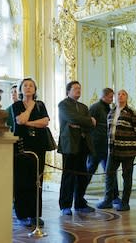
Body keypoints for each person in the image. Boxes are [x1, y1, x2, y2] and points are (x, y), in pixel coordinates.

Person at [11, 78, 49, 228]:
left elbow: (45, 122)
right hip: (22, 146)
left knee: (37, 181)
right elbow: (20, 120)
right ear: (20, 89)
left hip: (39, 146)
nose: (28, 88)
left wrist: (28, 122)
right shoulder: (17, 105)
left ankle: (35, 214)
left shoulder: (41, 105)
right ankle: (22, 214)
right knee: (22, 181)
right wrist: (29, 108)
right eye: (25, 85)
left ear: (35, 89)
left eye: (31, 85)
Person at [97, 89, 136, 211]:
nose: (120, 96)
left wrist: (131, 142)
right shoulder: (111, 112)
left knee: (126, 176)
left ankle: (125, 202)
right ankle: (108, 200)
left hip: (128, 150)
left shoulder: (132, 113)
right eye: (118, 94)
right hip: (113, 150)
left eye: (123, 94)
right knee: (109, 174)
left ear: (126, 98)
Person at [57, 81, 96, 216]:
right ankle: (65, 205)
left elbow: (90, 125)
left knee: (82, 176)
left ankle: (80, 203)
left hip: (83, 144)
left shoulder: (84, 107)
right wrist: (86, 121)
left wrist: (79, 124)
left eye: (79, 88)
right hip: (69, 145)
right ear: (68, 91)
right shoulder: (63, 104)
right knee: (68, 176)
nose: (78, 90)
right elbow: (71, 118)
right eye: (75, 88)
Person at [87, 88, 121, 206]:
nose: (112, 99)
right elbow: (88, 124)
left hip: (106, 146)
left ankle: (114, 196)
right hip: (96, 146)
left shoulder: (109, 109)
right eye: (111, 97)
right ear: (105, 96)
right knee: (89, 170)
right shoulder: (95, 107)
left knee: (111, 172)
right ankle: (79, 197)